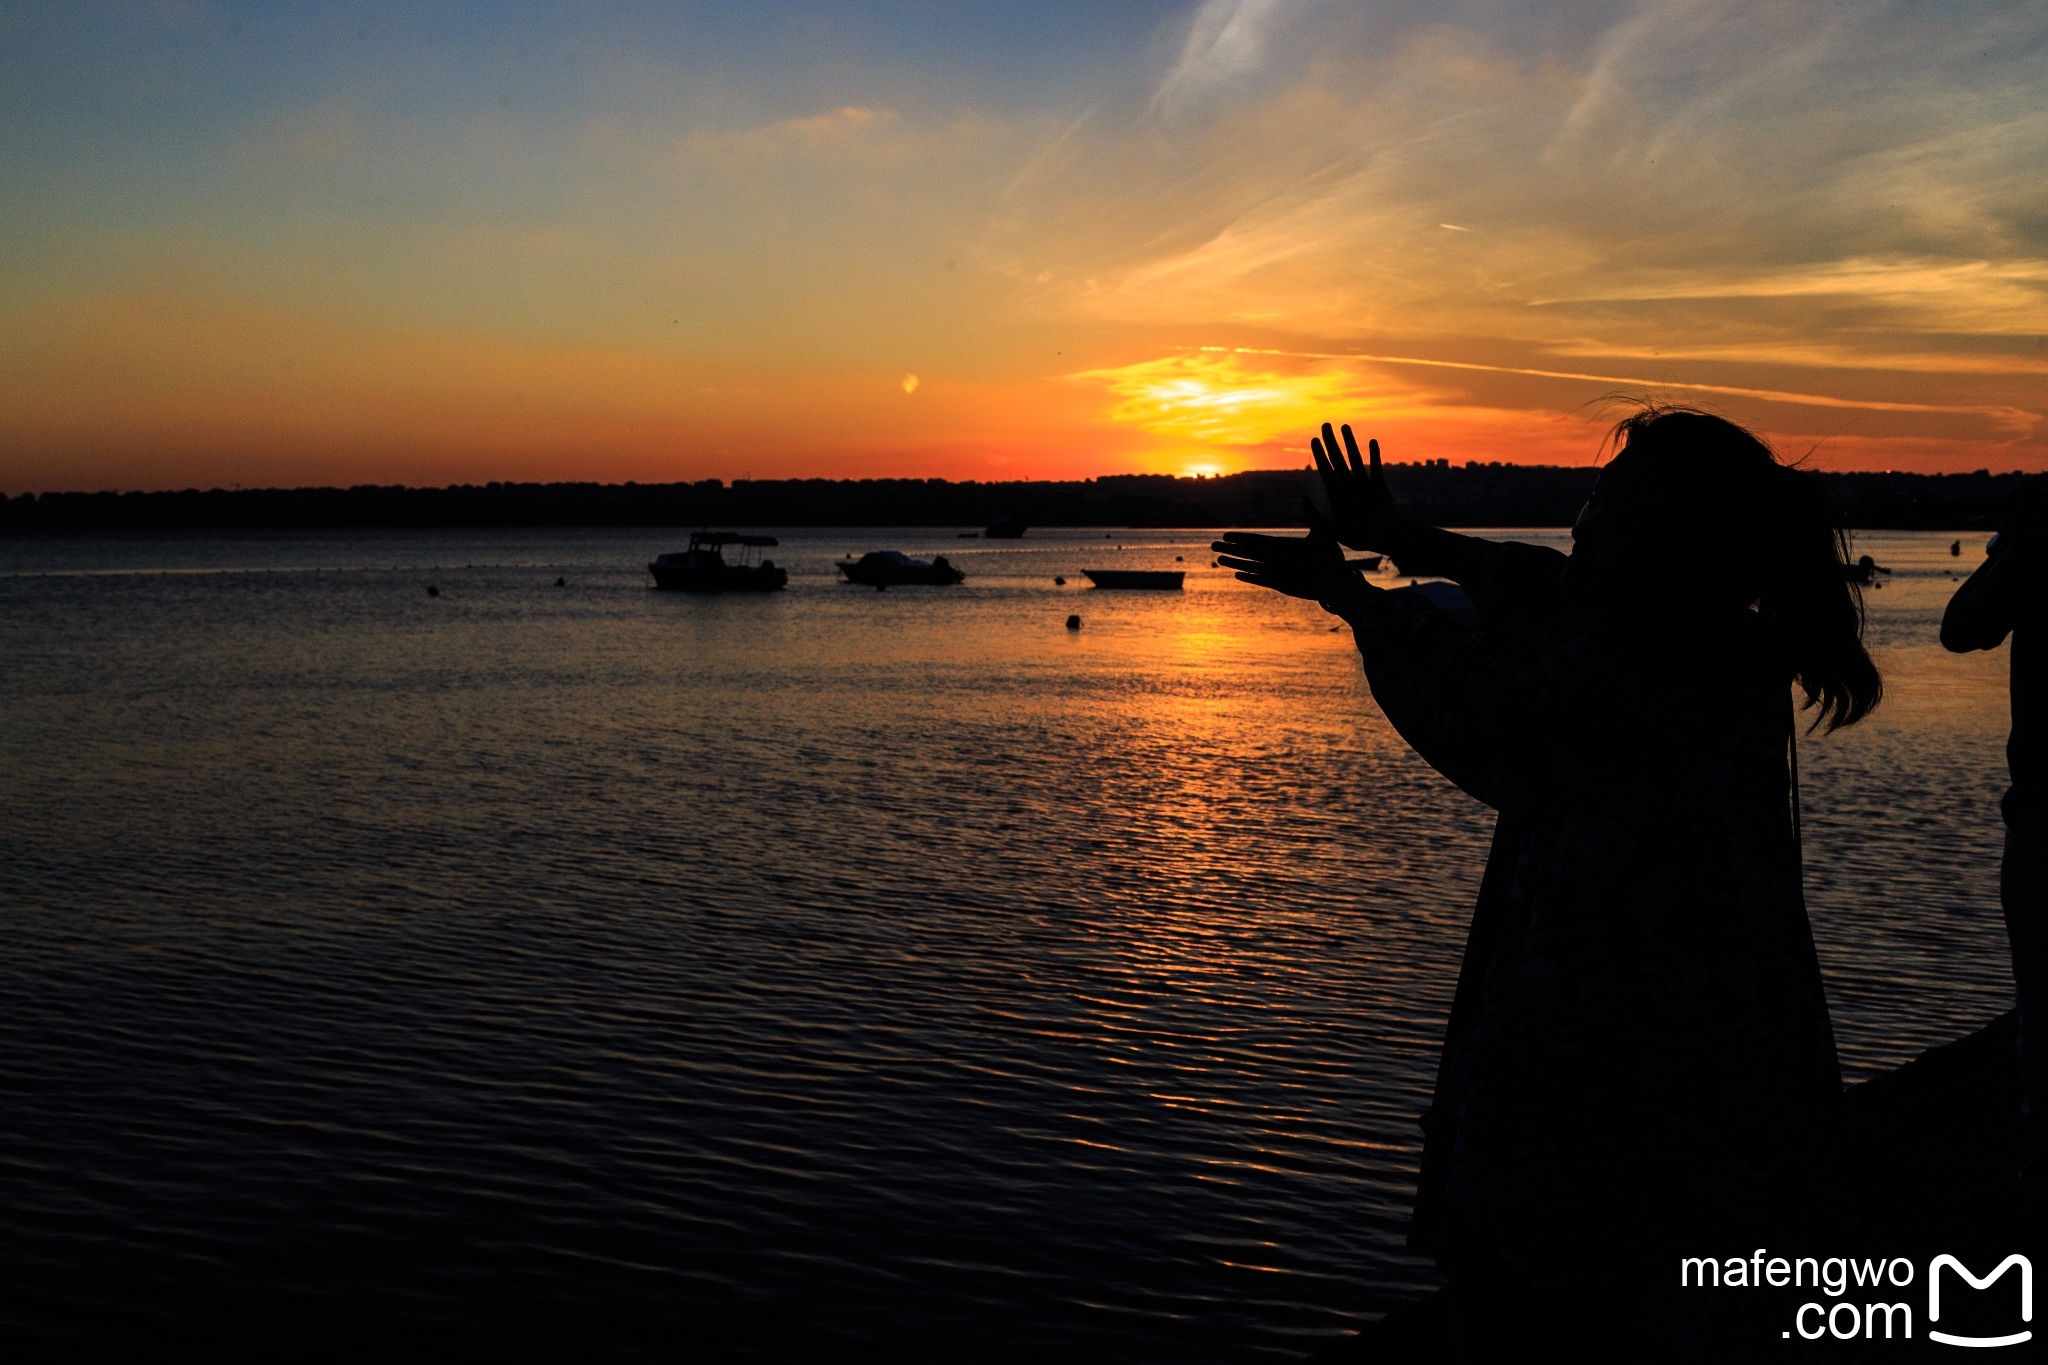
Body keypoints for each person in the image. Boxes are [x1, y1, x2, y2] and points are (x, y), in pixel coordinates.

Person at [1215, 408, 1880, 1359]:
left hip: (1628, 1064)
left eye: (1610, 503)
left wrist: (1348, 591)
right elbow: (1542, 584)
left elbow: (1491, 696)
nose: (1583, 520)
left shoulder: (1655, 662)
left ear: (1674, 541)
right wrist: (1402, 540)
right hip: (1695, 1056)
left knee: (1597, 1294)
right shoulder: (1700, 633)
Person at [1942, 486, 2048, 1202]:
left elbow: (1962, 625)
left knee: (2044, 1007)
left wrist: (2013, 544)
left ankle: (2044, 1183)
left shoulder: (2043, 541)